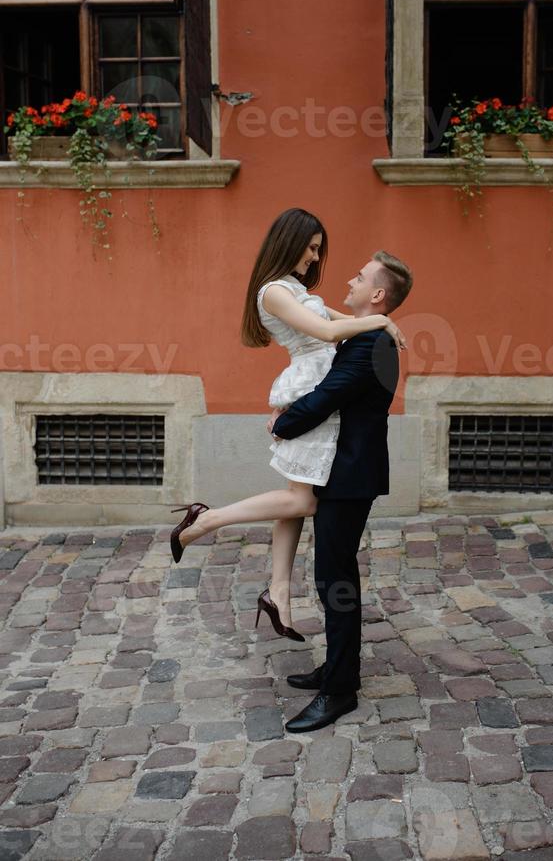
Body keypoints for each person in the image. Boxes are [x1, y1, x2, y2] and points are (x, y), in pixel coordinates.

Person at [167, 208, 406, 641]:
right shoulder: (273, 292)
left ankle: (279, 595)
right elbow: (330, 333)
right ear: (290, 242)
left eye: (318, 249)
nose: (316, 257)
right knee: (303, 501)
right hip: (310, 387)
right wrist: (383, 319)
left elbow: (343, 322)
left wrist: (372, 321)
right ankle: (206, 519)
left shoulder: (295, 288)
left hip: (320, 387)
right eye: (312, 247)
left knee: (299, 495)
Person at [268, 250, 413, 733]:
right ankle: (336, 669)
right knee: (331, 575)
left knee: (336, 580)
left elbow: (328, 395)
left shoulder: (371, 344)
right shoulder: (367, 333)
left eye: (359, 276)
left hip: (350, 477)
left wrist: (283, 423)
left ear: (376, 294)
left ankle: (340, 690)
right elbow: (323, 315)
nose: (348, 279)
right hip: (343, 471)